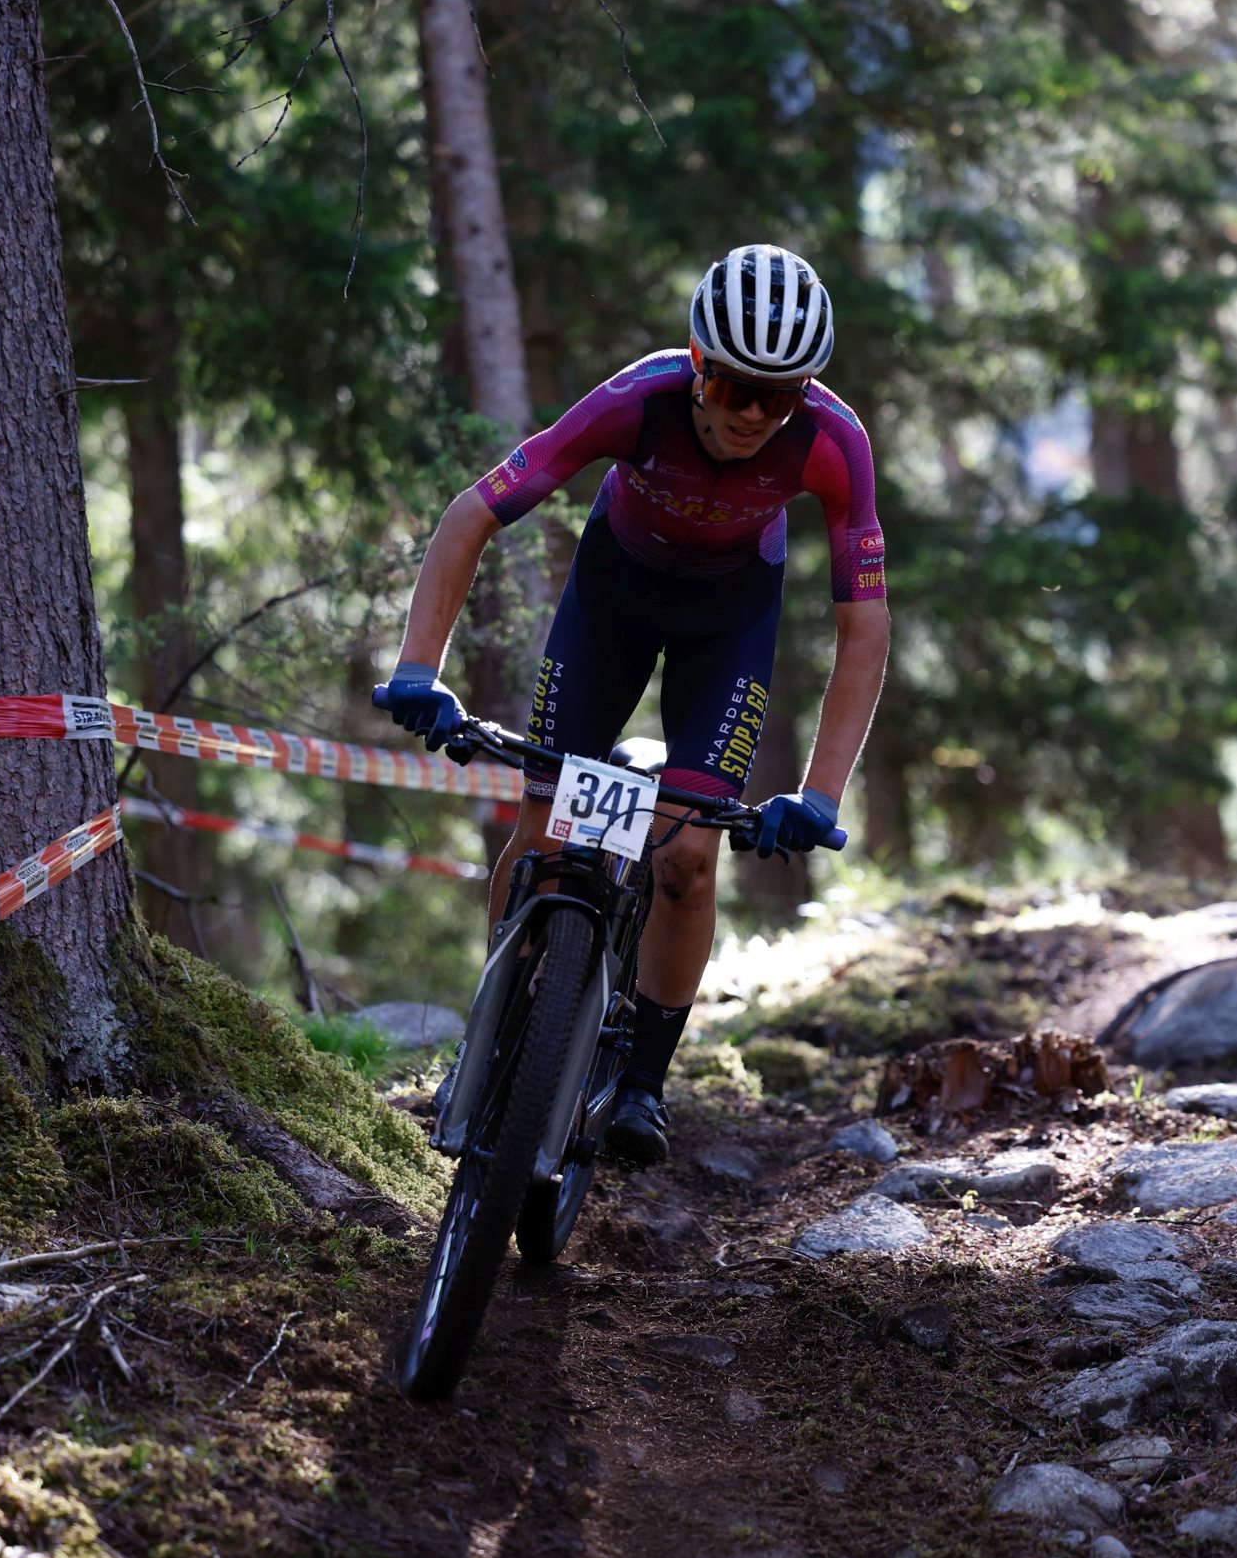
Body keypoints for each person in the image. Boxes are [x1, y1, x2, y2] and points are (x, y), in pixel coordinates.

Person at [378, 243, 890, 1168]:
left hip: (727, 625)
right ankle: (490, 1040)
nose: (753, 415)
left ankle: (644, 1085)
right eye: (735, 387)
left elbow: (864, 628)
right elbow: (472, 514)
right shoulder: (637, 400)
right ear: (697, 365)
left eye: (779, 396)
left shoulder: (832, 440)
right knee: (544, 830)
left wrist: (818, 795)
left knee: (688, 857)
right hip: (610, 606)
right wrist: (420, 668)